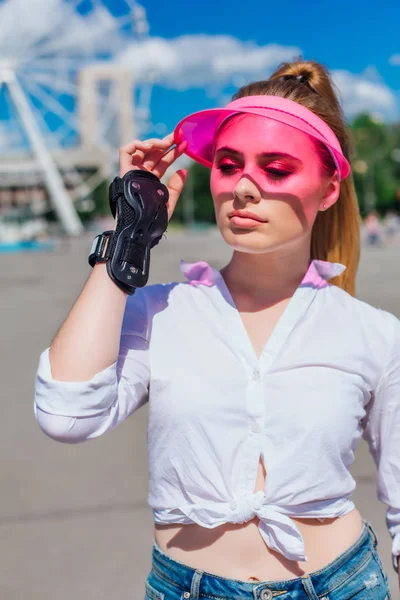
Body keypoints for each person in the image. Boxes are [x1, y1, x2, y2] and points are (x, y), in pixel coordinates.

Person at [34, 59, 400, 599]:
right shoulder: (159, 313)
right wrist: (128, 236)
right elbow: (66, 413)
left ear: (327, 189)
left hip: (342, 585)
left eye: (276, 169)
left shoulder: (374, 333)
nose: (244, 188)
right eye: (229, 165)